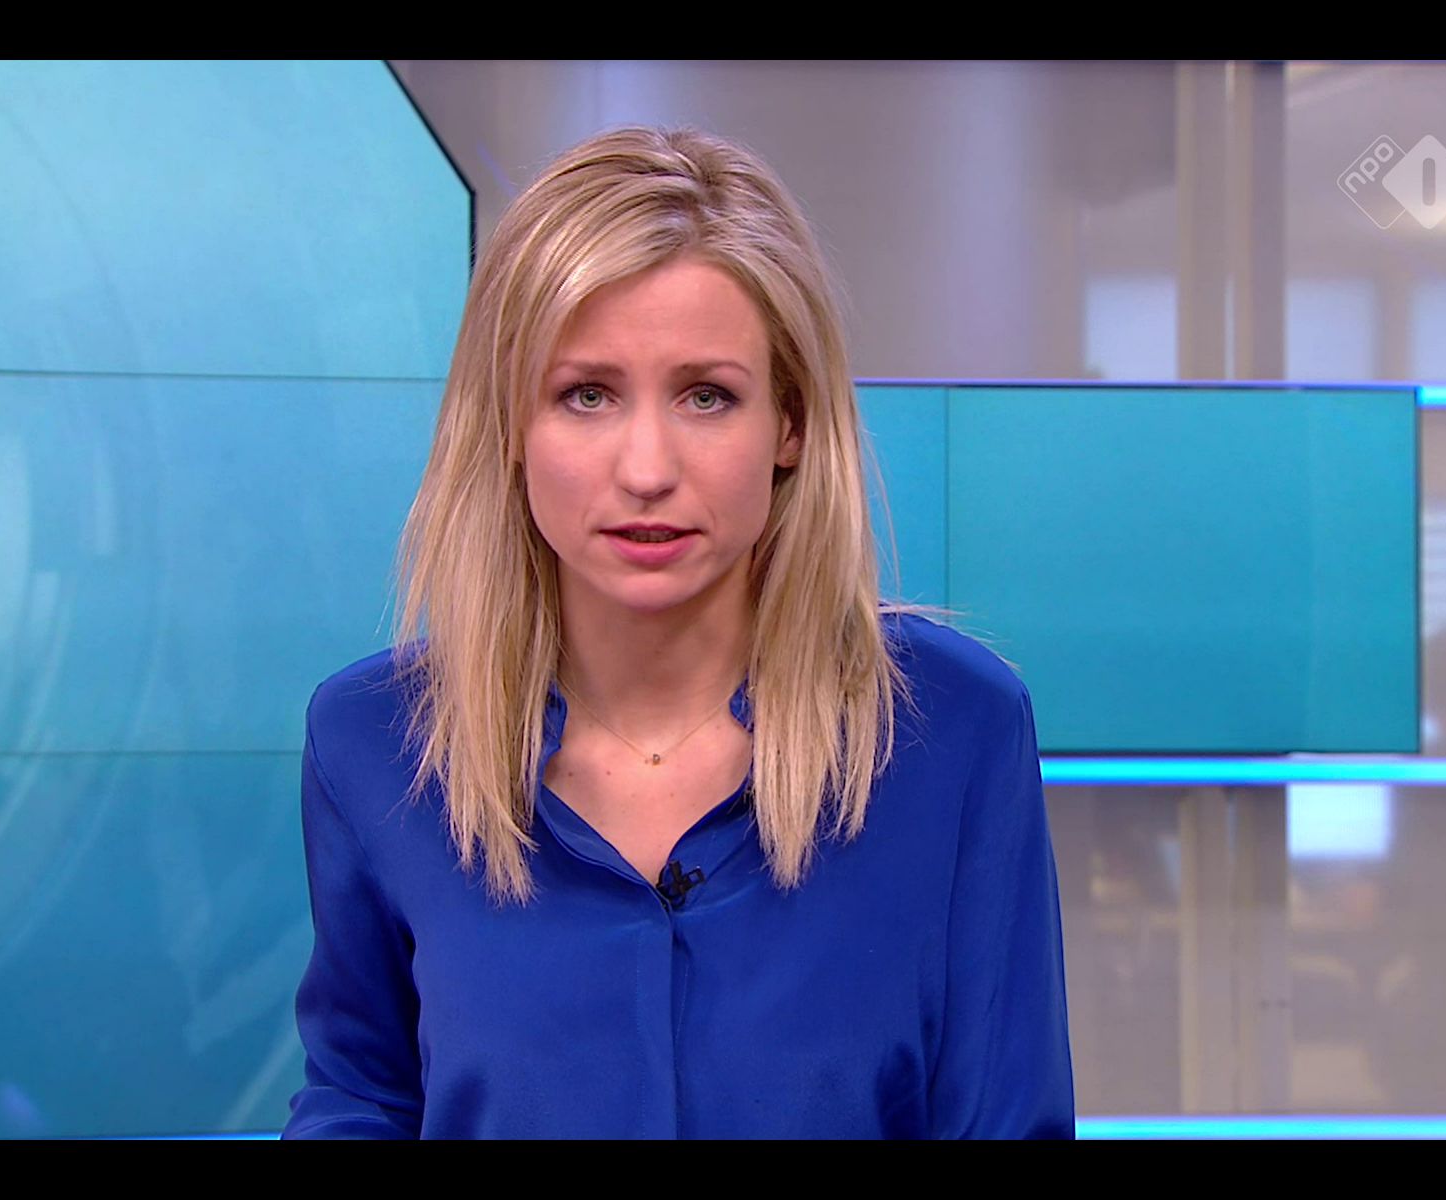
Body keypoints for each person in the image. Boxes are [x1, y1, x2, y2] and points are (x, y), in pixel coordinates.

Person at [283, 125, 1075, 1139]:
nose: (647, 469)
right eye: (586, 395)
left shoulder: (956, 730)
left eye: (707, 396)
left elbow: (1006, 1116)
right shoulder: (372, 742)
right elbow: (362, 1095)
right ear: (510, 423)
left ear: (790, 424)